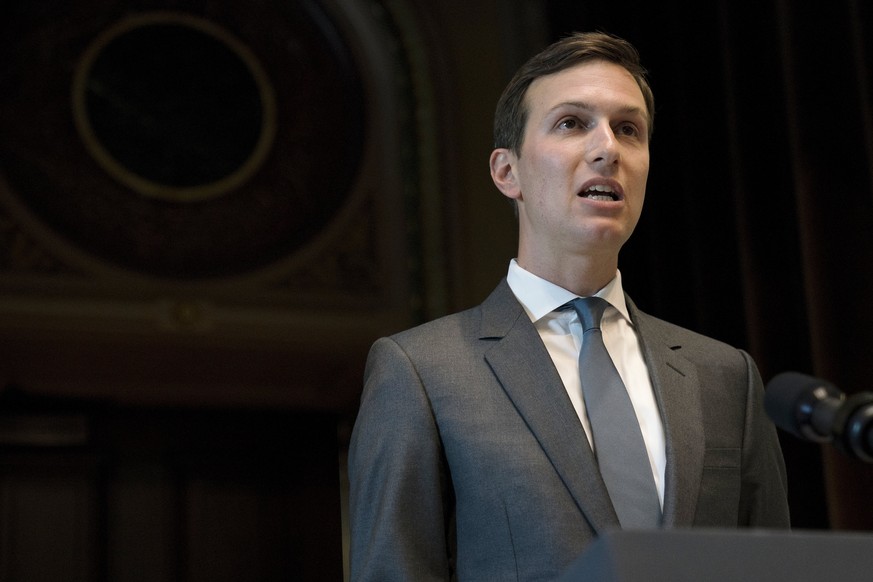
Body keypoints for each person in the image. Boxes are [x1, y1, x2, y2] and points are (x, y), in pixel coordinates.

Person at [348, 31, 790, 581]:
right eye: (572, 123)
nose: (607, 148)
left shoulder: (727, 376)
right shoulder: (422, 372)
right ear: (507, 172)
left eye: (629, 129)